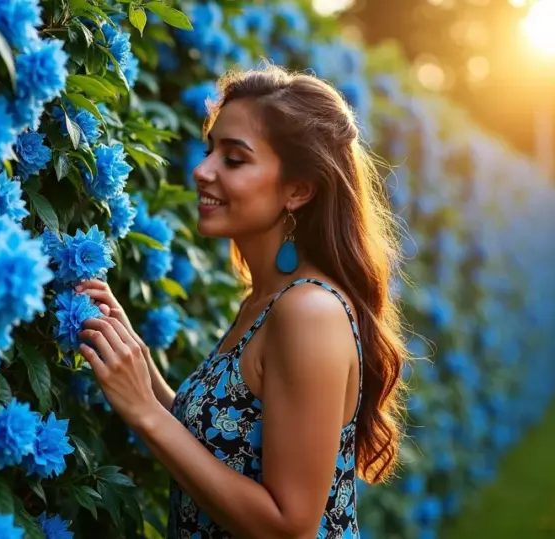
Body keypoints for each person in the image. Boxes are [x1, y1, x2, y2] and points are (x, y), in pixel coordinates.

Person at [73, 65, 409, 539]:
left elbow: (288, 526)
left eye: (234, 159)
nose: (202, 170)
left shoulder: (308, 311)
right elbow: (227, 446)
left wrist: (145, 413)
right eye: (211, 150)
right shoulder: (266, 300)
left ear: (298, 190)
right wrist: (144, 373)